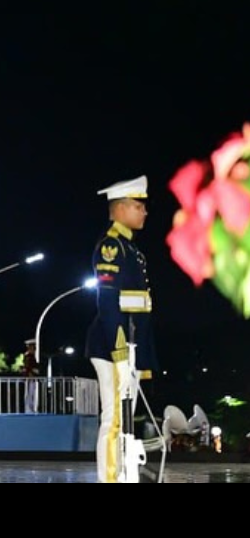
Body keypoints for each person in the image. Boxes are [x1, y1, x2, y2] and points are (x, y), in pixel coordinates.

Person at [85, 175, 158, 483]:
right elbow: (108, 302)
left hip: (131, 345)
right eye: (139, 206)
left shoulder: (131, 250)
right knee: (114, 419)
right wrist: (120, 354)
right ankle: (110, 479)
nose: (145, 212)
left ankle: (122, 475)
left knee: (125, 420)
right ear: (121, 208)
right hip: (113, 344)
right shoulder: (112, 247)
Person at [23, 338, 39, 413]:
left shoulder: (30, 356)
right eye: (33, 347)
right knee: (29, 393)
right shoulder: (29, 356)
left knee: (31, 393)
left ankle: (30, 408)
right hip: (30, 377)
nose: (34, 349)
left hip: (31, 377)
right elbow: (28, 367)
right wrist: (31, 373)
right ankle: (29, 409)